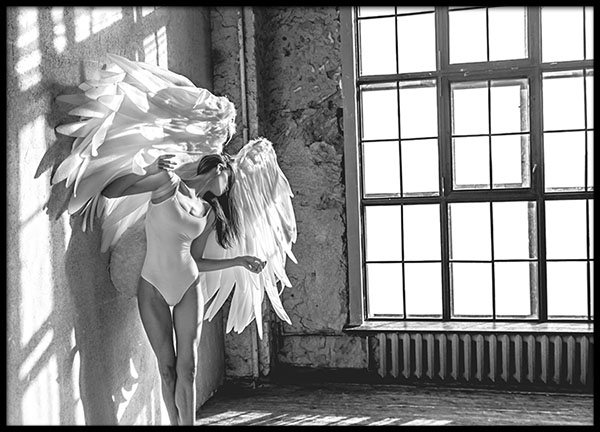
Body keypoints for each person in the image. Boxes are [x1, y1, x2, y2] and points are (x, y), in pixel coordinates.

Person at [102, 152, 265, 426]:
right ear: (219, 168)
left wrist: (238, 261)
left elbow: (196, 260)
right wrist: (147, 169)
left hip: (189, 286)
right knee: (167, 370)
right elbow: (110, 191)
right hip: (152, 286)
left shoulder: (208, 212)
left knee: (188, 369)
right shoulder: (167, 182)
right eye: (230, 179)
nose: (229, 187)